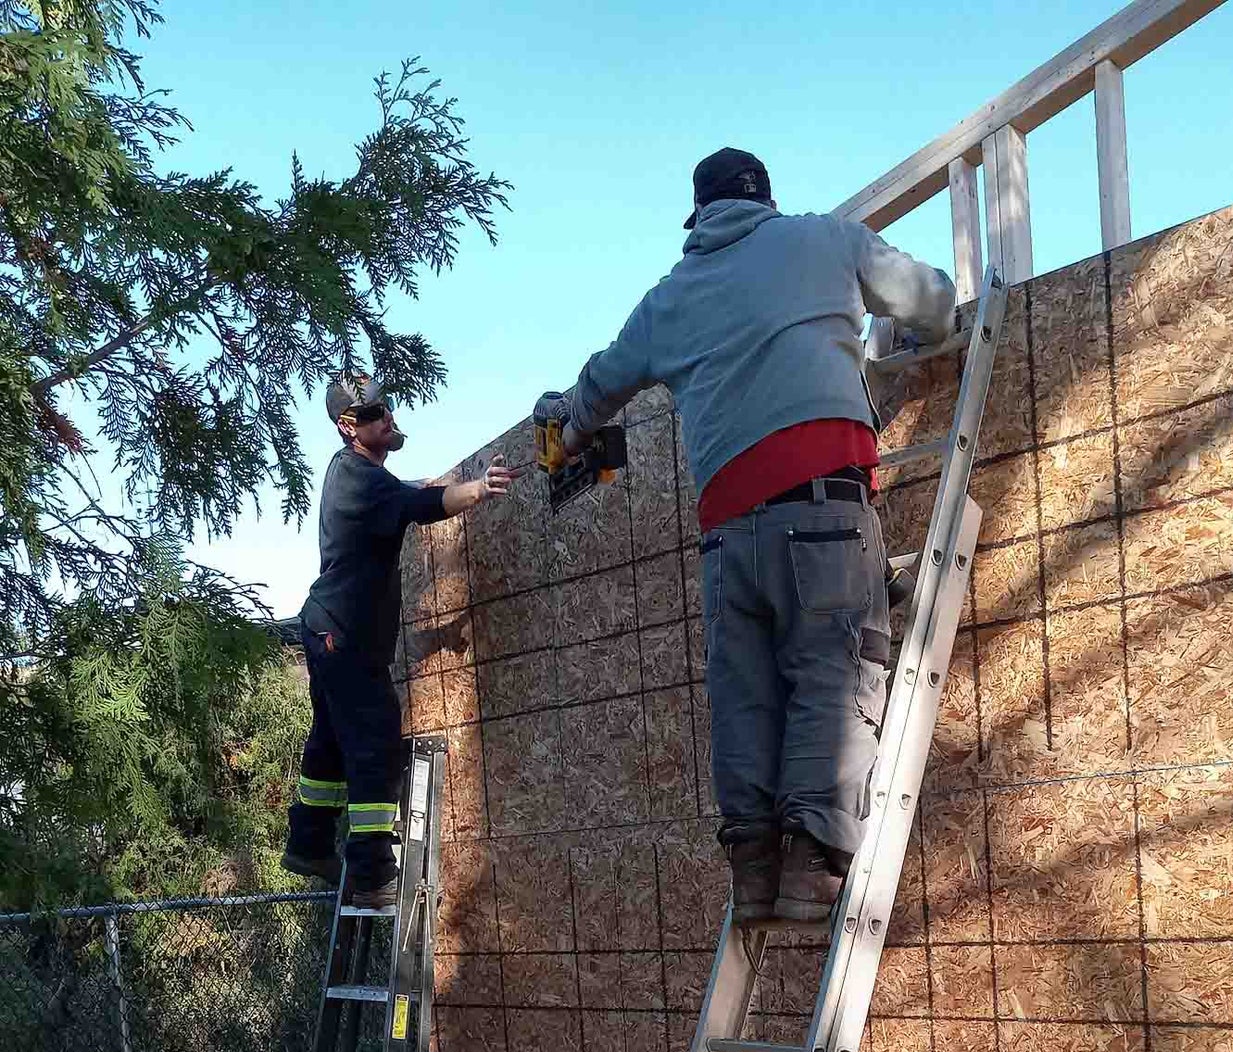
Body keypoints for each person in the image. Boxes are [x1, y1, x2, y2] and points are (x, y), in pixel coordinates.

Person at [549, 148, 956, 923]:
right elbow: (931, 303)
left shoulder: (667, 299)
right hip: (821, 507)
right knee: (833, 670)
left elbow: (594, 391)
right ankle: (810, 861)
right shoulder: (825, 239)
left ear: (698, 218)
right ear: (764, 200)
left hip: (727, 537)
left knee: (745, 694)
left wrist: (564, 426)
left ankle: (753, 867)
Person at [281, 374, 516, 909]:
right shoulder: (359, 477)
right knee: (374, 741)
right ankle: (371, 874)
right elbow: (421, 503)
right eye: (373, 414)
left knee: (331, 738)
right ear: (349, 428)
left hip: (329, 632)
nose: (386, 417)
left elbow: (408, 496)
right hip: (343, 635)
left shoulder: (359, 477)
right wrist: (478, 487)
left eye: (385, 408)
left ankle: (308, 842)